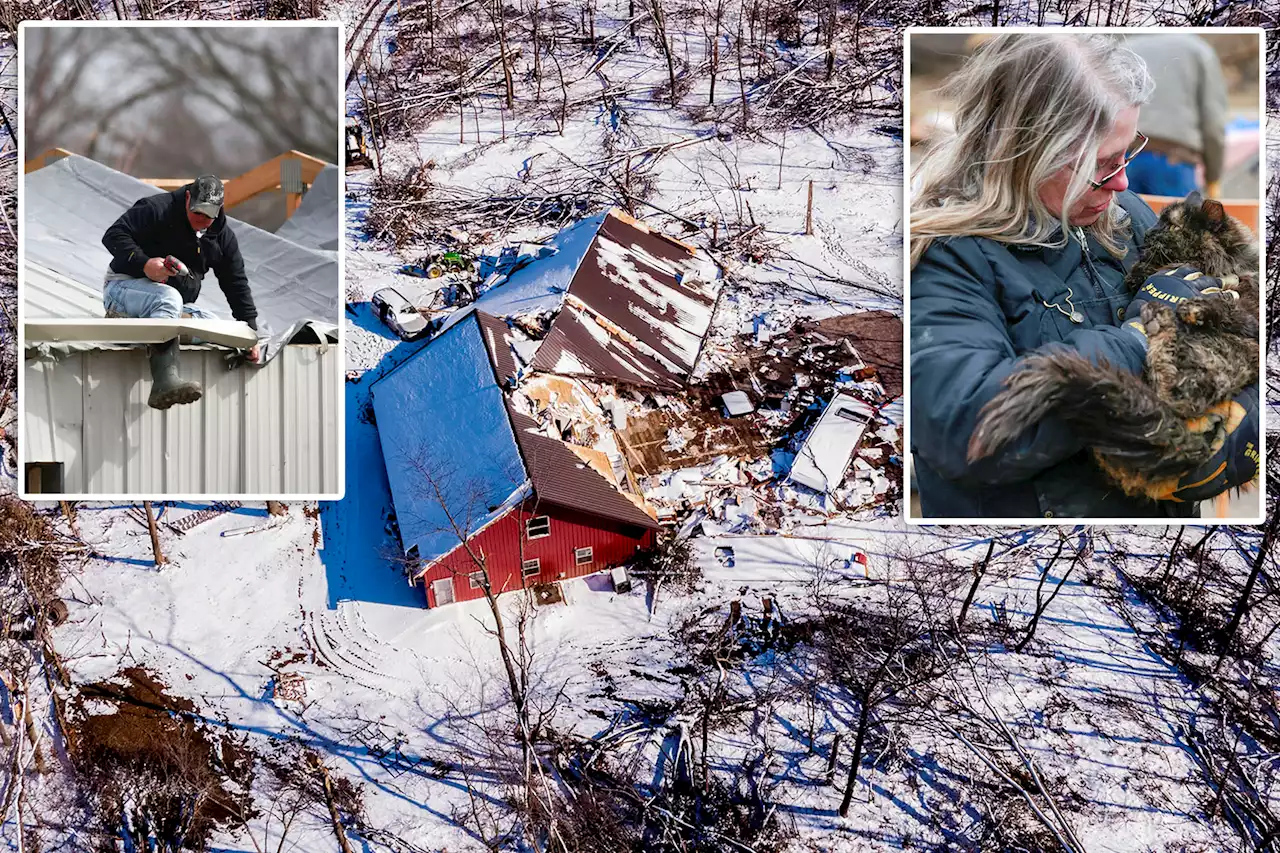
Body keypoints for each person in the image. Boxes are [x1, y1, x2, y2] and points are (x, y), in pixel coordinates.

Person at [909, 33, 1259, 519]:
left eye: (1126, 154)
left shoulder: (1123, 213)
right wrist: (1141, 341)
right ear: (1025, 153)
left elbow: (1234, 324)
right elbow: (962, 427)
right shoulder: (944, 257)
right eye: (1100, 166)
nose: (1123, 182)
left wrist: (1242, 416)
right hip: (1021, 554)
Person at [101, 174, 261, 410]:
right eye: (198, 212)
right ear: (188, 198)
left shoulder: (223, 238)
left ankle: (131, 328)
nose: (202, 220)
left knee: (211, 324)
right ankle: (164, 381)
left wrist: (250, 333)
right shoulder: (156, 209)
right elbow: (113, 236)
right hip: (123, 288)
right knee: (169, 298)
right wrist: (145, 264)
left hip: (167, 306)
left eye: (209, 215)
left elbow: (235, 283)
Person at [1122, 32, 1227, 198]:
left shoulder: (1126, 47)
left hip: (1123, 158)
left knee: (1123, 221)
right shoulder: (1198, 50)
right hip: (1174, 162)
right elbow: (1213, 122)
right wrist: (1213, 177)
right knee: (1182, 223)